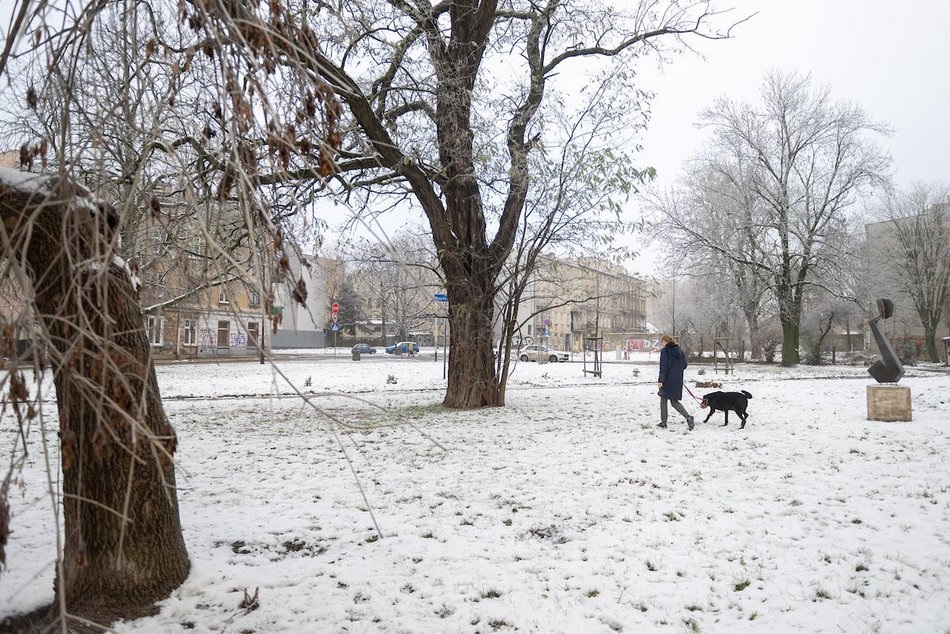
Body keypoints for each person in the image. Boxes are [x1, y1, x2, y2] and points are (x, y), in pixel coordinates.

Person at [657, 334, 694, 431]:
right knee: (674, 401)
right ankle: (688, 417)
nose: (662, 344)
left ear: (665, 342)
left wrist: (661, 381)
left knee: (663, 399)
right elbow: (684, 365)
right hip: (677, 379)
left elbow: (663, 367)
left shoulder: (665, 351)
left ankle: (664, 422)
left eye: (662, 342)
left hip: (668, 379)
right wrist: (677, 372)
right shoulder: (679, 350)